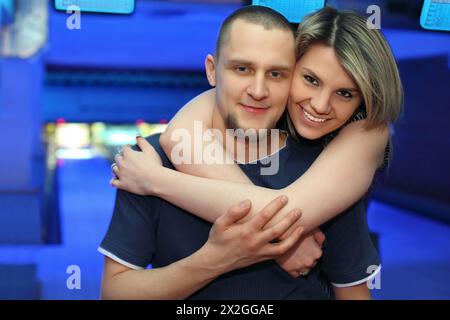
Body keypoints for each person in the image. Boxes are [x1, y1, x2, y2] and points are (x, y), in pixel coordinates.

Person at [103, 6, 402, 299]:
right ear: (212, 70)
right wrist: (227, 256)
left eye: (346, 93)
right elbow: (115, 293)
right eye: (242, 69)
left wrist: (157, 182)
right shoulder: (158, 152)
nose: (321, 105)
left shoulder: (336, 161)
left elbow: (350, 290)